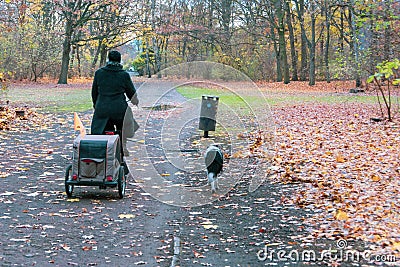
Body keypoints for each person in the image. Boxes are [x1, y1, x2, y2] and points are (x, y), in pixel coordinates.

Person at [91, 50, 139, 155]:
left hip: (102, 108)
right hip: (119, 109)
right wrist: (135, 101)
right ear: (120, 60)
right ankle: (123, 148)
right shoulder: (124, 75)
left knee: (104, 127)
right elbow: (131, 93)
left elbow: (94, 92)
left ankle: (104, 150)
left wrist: (96, 105)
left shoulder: (99, 73)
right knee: (123, 126)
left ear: (108, 59)